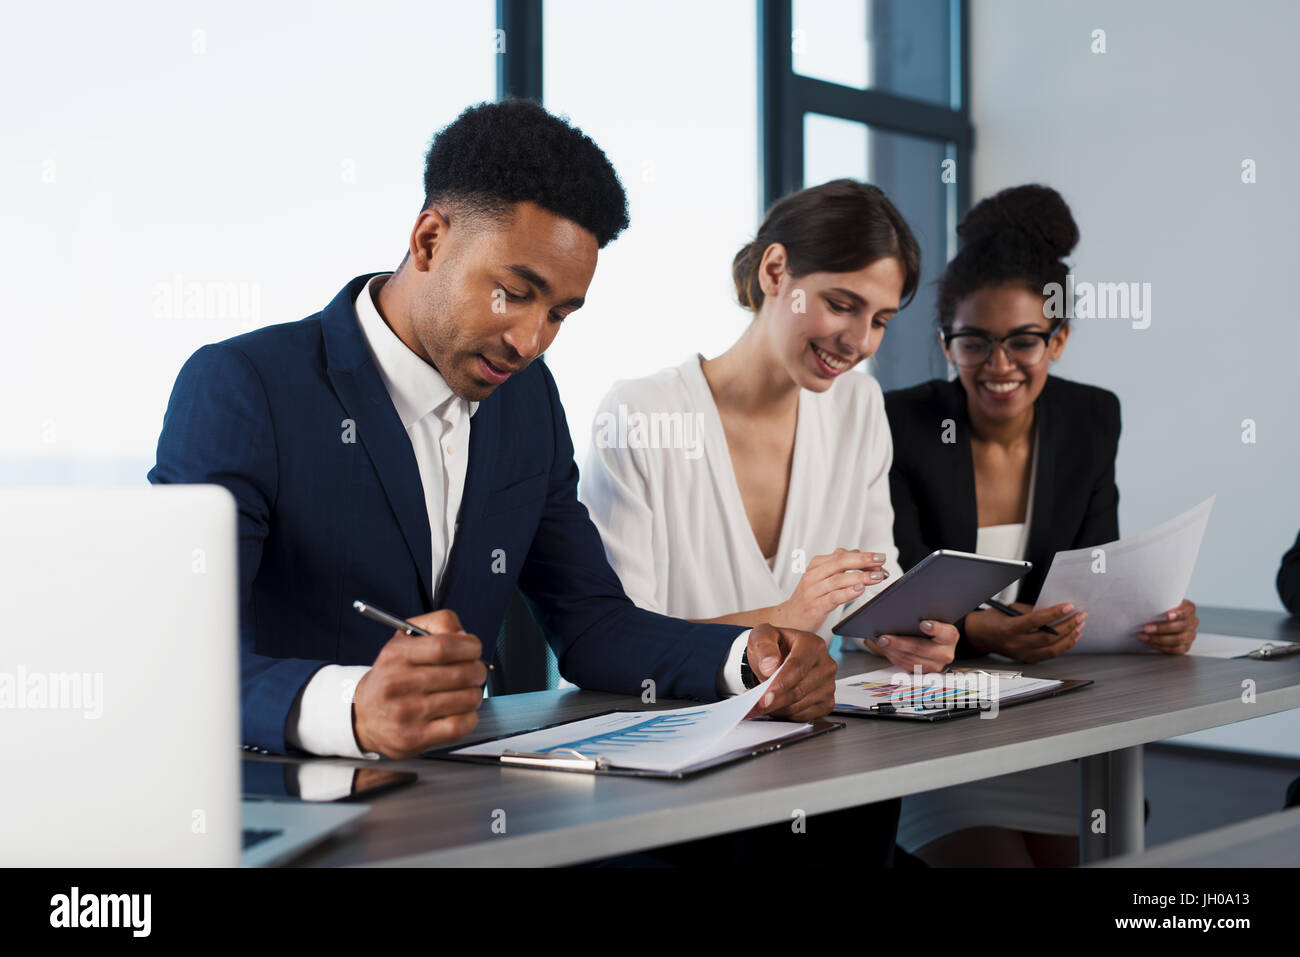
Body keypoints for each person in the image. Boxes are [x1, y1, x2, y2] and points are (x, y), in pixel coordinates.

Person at [148, 99, 835, 765]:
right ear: (429, 240)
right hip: (288, 812)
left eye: (561, 313)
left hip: (469, 806)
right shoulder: (244, 386)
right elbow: (179, 657)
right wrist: (353, 705)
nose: (531, 339)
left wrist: (747, 656)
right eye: (514, 292)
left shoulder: (527, 399)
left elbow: (592, 625)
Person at [579, 179, 962, 865]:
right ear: (775, 270)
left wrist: (902, 629)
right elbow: (616, 644)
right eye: (842, 304)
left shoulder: (856, 407)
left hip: (809, 760)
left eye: (878, 319)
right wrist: (782, 614)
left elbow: (872, 581)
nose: (857, 341)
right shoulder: (640, 413)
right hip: (674, 781)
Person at [885, 183, 1199, 867]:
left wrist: (1158, 614)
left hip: (1054, 720)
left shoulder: (1090, 419)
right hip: (942, 730)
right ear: (946, 343)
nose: (999, 366)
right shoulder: (904, 423)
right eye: (974, 342)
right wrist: (982, 629)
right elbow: (903, 581)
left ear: (1057, 339)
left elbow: (1099, 572)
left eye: (1024, 341)